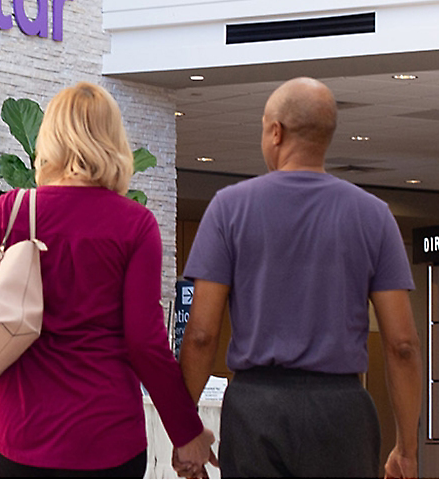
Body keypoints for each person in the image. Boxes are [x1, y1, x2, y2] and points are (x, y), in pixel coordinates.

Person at [0, 82, 216, 479]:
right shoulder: (136, 226)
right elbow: (145, 343)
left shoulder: (13, 211)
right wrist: (185, 433)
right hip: (107, 442)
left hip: (14, 436)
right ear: (114, 142)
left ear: (49, 140)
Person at [178, 76, 422, 478]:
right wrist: (407, 448)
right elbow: (401, 345)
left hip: (256, 409)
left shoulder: (228, 209)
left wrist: (185, 430)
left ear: (275, 132)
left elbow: (202, 334)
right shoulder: (373, 215)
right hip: (342, 410)